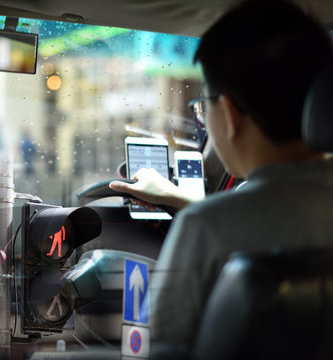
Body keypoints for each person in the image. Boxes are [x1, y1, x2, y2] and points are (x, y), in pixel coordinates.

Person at [109, 0, 333, 350]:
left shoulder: (205, 230)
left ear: (229, 113)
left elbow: (153, 351)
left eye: (203, 106)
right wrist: (175, 196)